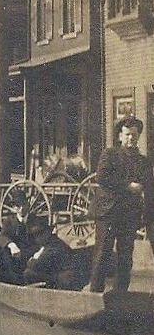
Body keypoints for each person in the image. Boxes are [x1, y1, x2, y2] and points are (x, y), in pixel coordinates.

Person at [87, 116, 154, 293]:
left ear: (138, 135)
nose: (131, 138)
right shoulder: (110, 155)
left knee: (125, 258)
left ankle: (120, 296)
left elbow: (149, 187)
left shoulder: (144, 162)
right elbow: (101, 177)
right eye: (127, 134)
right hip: (107, 213)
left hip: (129, 216)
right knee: (102, 254)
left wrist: (147, 216)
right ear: (119, 136)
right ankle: (94, 295)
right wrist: (127, 185)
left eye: (134, 134)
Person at [23, 216, 88, 290]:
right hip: (63, 275)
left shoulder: (54, 247)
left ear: (48, 232)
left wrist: (32, 259)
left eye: (41, 233)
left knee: (28, 273)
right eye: (35, 235)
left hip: (67, 279)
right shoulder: (52, 242)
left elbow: (35, 265)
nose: (38, 238)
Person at [0, 195, 37, 283]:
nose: (21, 208)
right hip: (15, 256)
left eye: (23, 204)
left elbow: (42, 240)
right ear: (14, 208)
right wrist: (11, 245)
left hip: (31, 255)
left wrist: (37, 253)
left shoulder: (36, 220)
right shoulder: (9, 221)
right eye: (18, 206)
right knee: (4, 255)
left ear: (28, 205)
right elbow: (1, 236)